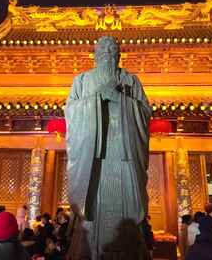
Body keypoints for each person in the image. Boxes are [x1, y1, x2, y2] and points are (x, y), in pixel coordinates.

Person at [65, 36, 152, 259]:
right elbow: (71, 113)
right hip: (92, 160)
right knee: (92, 217)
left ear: (119, 55)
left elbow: (144, 113)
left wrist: (120, 100)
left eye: (113, 50)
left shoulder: (131, 80)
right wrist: (95, 99)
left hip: (123, 155)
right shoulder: (82, 80)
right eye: (103, 49)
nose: (108, 52)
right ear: (95, 54)